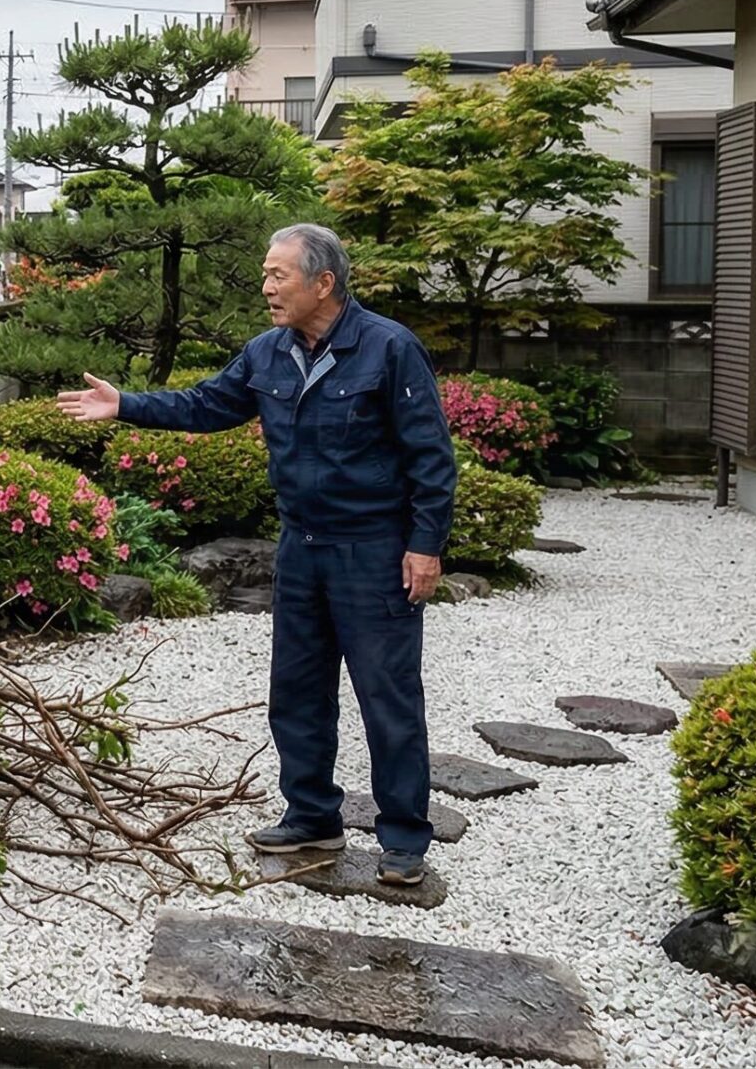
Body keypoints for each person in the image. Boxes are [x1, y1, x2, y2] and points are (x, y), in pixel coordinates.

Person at [55, 222, 456, 886]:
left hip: (373, 549)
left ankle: (405, 836)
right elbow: (208, 404)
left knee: (387, 696)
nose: (267, 287)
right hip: (300, 546)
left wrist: (425, 544)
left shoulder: (388, 348)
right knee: (296, 689)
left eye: (279, 275)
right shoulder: (268, 353)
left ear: (323, 282)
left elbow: (430, 456)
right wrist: (125, 404)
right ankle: (311, 813)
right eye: (266, 274)